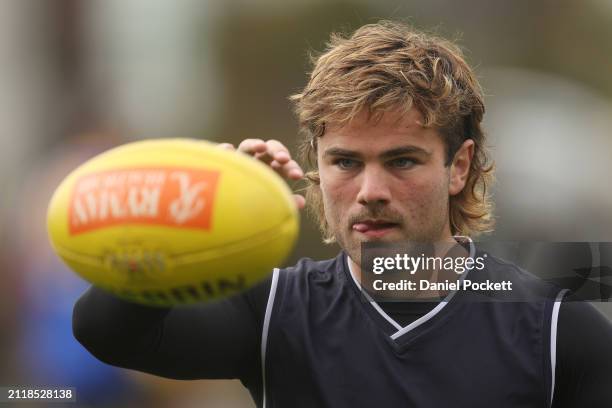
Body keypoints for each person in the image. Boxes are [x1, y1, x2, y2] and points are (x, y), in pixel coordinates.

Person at [73, 21, 612, 407]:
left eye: (402, 160)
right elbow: (104, 330)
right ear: (317, 168)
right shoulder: (273, 311)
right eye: (345, 162)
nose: (370, 190)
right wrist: (188, 222)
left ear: (458, 167)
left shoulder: (558, 326)